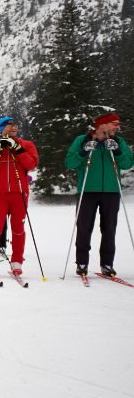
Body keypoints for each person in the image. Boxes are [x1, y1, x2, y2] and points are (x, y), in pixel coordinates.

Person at [65, 113, 133, 277]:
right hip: (87, 190)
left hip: (111, 190)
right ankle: (82, 262)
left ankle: (107, 264)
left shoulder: (118, 141)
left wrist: (116, 151)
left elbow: (127, 163)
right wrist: (83, 151)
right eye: (114, 123)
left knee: (109, 229)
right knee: (84, 228)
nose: (118, 126)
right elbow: (69, 162)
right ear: (102, 125)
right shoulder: (82, 140)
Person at [0, 117, 39, 276]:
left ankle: (17, 262)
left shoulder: (26, 145)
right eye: (8, 125)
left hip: (19, 193)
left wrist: (18, 148)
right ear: (1, 129)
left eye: (15, 125)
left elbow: (31, 164)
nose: (13, 127)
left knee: (18, 228)